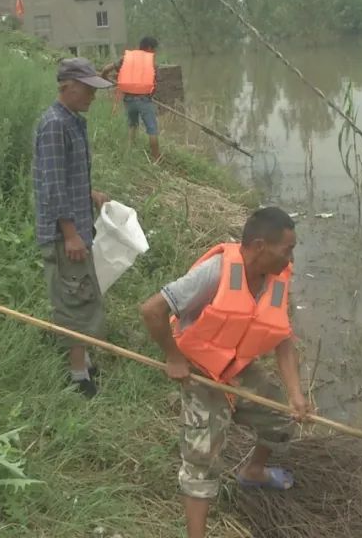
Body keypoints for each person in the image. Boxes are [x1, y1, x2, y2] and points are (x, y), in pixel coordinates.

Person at [139, 207, 312, 538]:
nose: (290, 260)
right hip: (200, 371)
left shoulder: (277, 279)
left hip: (237, 368)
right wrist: (173, 357)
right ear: (260, 246)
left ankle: (254, 471)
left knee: (281, 417)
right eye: (287, 250)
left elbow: (283, 340)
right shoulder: (216, 273)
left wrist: (295, 395)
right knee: (202, 461)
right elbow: (152, 311)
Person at [34, 57, 114, 398]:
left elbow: (66, 176)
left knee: (82, 291)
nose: (92, 97)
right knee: (73, 298)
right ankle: (78, 374)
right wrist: (69, 233)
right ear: (66, 87)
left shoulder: (72, 121)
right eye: (87, 89)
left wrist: (89, 192)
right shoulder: (55, 125)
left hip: (78, 223)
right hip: (66, 231)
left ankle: (82, 356)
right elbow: (52, 187)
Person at [101, 36, 162, 162]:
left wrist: (103, 76)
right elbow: (155, 84)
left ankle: (129, 154)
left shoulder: (126, 59)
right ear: (149, 48)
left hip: (128, 100)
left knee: (132, 126)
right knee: (152, 130)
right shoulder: (152, 63)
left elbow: (106, 69)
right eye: (154, 49)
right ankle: (156, 159)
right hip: (144, 100)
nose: (155, 52)